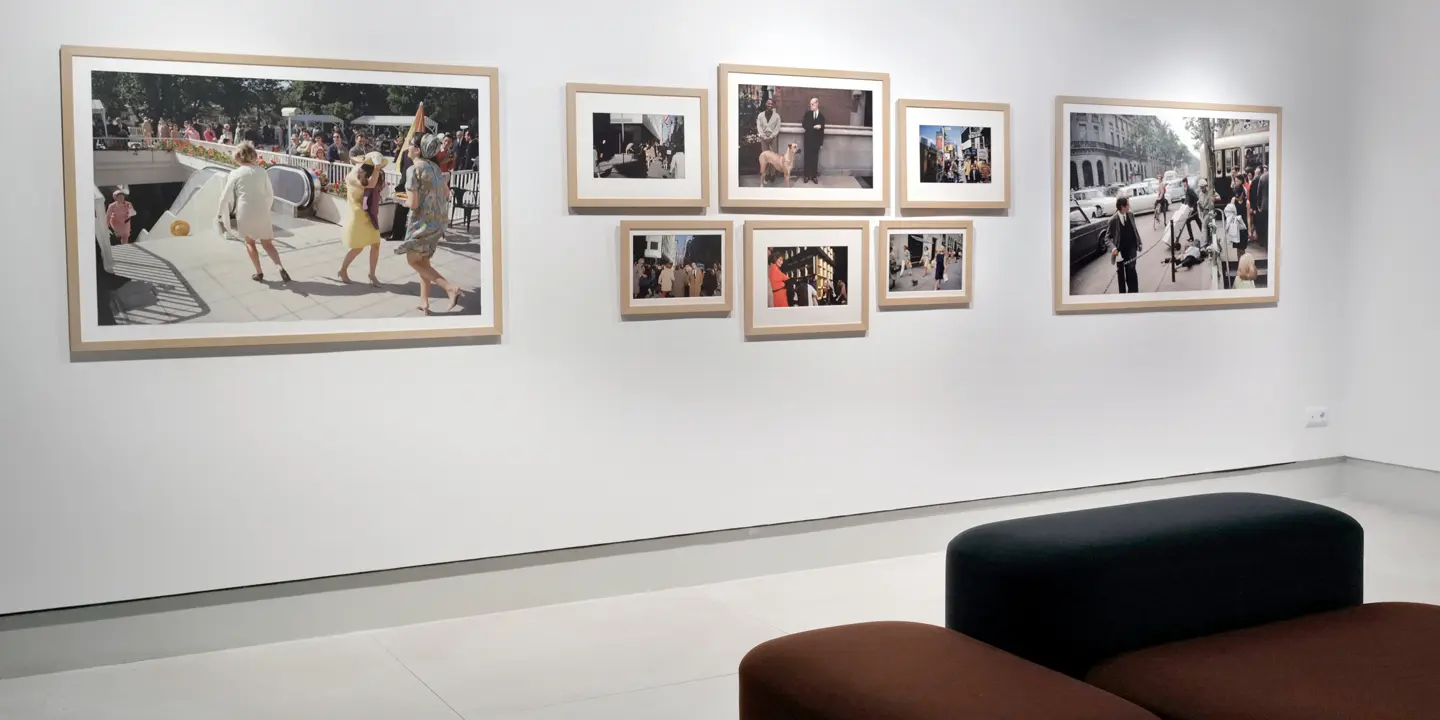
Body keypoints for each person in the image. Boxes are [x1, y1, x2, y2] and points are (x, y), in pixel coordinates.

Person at [396, 134, 463, 313]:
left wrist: (399, 199)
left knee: (413, 261)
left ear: (418, 149)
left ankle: (450, 288)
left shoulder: (413, 169)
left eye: (409, 145)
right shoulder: (435, 167)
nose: (407, 148)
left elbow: (413, 204)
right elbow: (447, 194)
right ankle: (424, 302)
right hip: (438, 223)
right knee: (424, 262)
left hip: (421, 224)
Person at [217, 142, 289, 283]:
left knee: (250, 242)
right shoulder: (262, 171)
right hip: (261, 209)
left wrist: (220, 213)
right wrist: (266, 208)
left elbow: (225, 196)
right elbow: (270, 194)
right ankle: (279, 266)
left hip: (245, 209)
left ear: (238, 156)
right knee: (268, 243)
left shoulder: (235, 173)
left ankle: (259, 272)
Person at [338, 152, 388, 287]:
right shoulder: (353, 176)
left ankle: (372, 275)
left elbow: (377, 187)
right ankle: (342, 270)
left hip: (370, 214)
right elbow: (369, 185)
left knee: (376, 244)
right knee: (358, 247)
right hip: (358, 215)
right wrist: (377, 168)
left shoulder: (371, 172)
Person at [1106, 195, 1142, 294]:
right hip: (1120, 249)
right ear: (1122, 207)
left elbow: (1135, 229)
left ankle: (1133, 291)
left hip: (1132, 246)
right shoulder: (1113, 220)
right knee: (1125, 269)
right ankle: (1128, 291)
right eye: (1127, 205)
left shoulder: (1130, 215)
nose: (1129, 206)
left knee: (1131, 268)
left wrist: (1139, 242)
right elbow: (1107, 238)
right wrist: (1113, 249)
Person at [802, 97, 826, 184]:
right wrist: (813, 127)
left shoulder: (821, 117)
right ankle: (806, 175)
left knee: (815, 158)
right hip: (808, 139)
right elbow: (804, 125)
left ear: (817, 104)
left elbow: (822, 131)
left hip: (816, 141)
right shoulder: (807, 114)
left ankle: (814, 176)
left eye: (812, 104)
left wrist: (821, 143)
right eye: (810, 104)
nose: (811, 106)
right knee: (807, 158)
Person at [1223, 199, 1248, 280]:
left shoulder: (1246, 202)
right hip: (1236, 228)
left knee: (1242, 250)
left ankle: (1243, 267)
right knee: (1238, 250)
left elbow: (1247, 218)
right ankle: (1240, 267)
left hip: (1243, 228)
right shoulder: (1233, 200)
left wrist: (1250, 229)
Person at [1181, 178, 1201, 243]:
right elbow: (1187, 199)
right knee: (1198, 222)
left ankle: (1193, 237)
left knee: (1188, 221)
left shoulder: (1190, 190)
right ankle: (1203, 234)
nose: (1183, 184)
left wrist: (1193, 207)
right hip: (1191, 210)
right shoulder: (1186, 190)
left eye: (1184, 182)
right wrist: (1183, 206)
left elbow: (1197, 198)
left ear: (1187, 182)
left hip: (1193, 210)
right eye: (1183, 183)